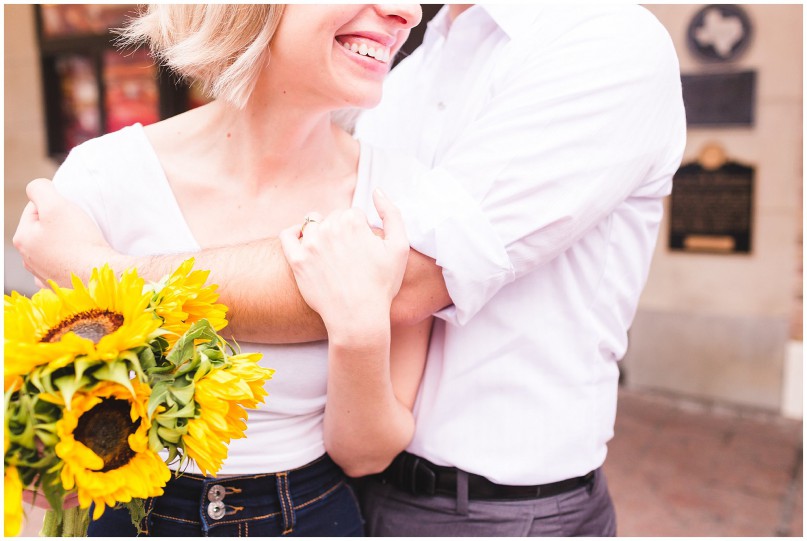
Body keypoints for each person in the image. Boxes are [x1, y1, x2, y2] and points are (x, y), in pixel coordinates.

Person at [14, 4, 687, 537]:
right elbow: (53, 399)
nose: (403, 13)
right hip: (349, 500)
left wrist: (100, 276)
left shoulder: (602, 44)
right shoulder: (408, 80)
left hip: (494, 511)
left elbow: (406, 280)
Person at [14, 4, 431, 537]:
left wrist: (359, 329)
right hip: (131, 514)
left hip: (312, 514)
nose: (408, 12)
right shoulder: (102, 179)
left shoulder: (398, 194)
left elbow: (366, 456)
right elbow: (53, 402)